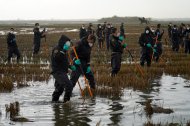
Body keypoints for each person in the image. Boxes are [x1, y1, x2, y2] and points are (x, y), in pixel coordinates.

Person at [51, 35, 75, 103]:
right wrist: (63, 51)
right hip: (58, 72)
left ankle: (54, 102)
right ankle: (66, 102)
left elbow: (64, 62)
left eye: (68, 44)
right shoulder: (57, 49)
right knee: (69, 86)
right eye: (67, 44)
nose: (68, 46)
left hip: (63, 71)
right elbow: (57, 58)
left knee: (60, 88)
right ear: (63, 42)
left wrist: (70, 66)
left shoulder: (65, 50)